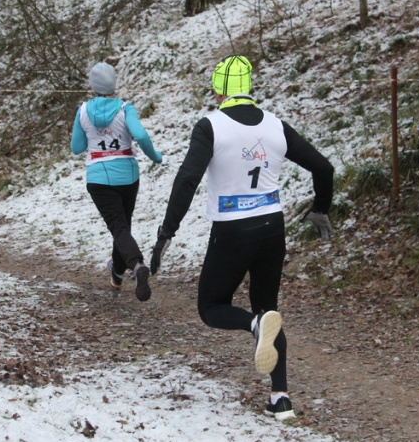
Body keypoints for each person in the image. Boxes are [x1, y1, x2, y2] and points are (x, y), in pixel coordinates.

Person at [149, 55, 334, 421]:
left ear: (218, 90)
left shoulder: (211, 126)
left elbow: (187, 180)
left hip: (232, 230)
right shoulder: (276, 126)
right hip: (271, 228)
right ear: (249, 87)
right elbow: (323, 168)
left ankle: (253, 325)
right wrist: (320, 209)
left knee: (211, 307)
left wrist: (166, 233)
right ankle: (280, 398)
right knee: (268, 307)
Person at [72, 61, 163, 302]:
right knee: (122, 226)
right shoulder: (125, 108)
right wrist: (155, 156)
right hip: (127, 175)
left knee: (119, 227)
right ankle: (117, 272)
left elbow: (76, 147)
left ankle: (137, 264)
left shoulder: (83, 111)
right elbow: (140, 134)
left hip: (98, 178)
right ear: (114, 83)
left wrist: (94, 136)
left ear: (93, 85)